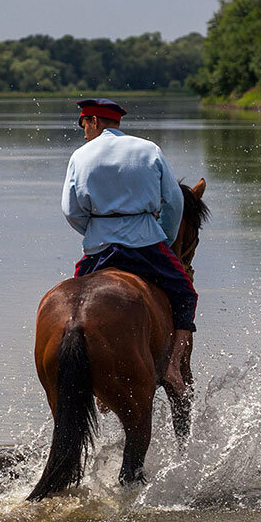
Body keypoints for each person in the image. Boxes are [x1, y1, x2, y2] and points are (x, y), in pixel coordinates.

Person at [61, 98, 197, 393]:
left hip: (99, 248)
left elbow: (71, 210)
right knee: (186, 295)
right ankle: (173, 366)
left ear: (94, 121)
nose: (83, 131)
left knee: (75, 304)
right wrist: (163, 236)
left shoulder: (80, 156)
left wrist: (96, 231)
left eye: (83, 124)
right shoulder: (149, 149)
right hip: (147, 244)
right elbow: (174, 203)